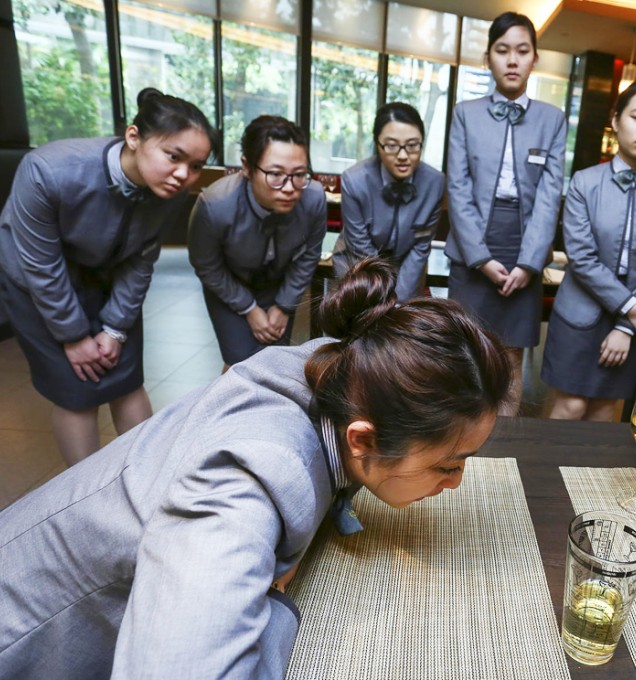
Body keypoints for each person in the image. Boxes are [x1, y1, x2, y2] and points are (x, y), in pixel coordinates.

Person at [0, 257, 513, 679]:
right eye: (448, 464)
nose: (456, 482)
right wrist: (273, 606)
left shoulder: (341, 369)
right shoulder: (249, 478)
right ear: (363, 438)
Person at [0, 88, 215, 466]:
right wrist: (74, 336)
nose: (184, 175)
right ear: (134, 137)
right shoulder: (48, 171)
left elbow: (141, 260)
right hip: (37, 281)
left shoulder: (173, 192)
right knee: (77, 389)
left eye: (196, 165)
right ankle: (86, 497)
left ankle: (147, 478)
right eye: (173, 156)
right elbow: (41, 264)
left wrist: (114, 328)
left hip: (110, 272)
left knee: (127, 379)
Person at [542, 79, 636, 421]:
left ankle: (588, 478)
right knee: (570, 406)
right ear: (616, 119)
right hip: (581, 312)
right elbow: (582, 257)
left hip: (635, 322)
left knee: (605, 410)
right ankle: (546, 475)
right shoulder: (584, 182)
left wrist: (625, 326)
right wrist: (630, 307)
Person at [445, 11, 567, 415]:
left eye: (522, 51)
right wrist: (480, 258)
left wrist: (529, 263)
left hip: (524, 250)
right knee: (468, 354)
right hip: (472, 248)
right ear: (488, 59)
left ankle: (507, 451)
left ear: (535, 59)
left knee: (511, 357)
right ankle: (464, 447)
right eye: (502, 51)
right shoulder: (466, 113)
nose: (512, 60)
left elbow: (550, 195)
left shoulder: (552, 119)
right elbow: (457, 189)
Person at [188, 115, 327, 367]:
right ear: (247, 167)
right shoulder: (215, 205)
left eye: (299, 174)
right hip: (229, 286)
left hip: (280, 284)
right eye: (275, 174)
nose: (289, 187)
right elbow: (208, 266)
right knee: (239, 365)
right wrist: (249, 308)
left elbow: (308, 256)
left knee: (274, 363)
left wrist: (284, 305)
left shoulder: (314, 198)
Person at [332, 103, 444, 302]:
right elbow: (360, 247)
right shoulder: (354, 180)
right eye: (392, 146)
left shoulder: (434, 183)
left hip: (407, 270)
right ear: (377, 144)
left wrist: (398, 300)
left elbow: (420, 248)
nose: (403, 156)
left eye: (412, 145)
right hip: (358, 265)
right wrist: (383, 299)